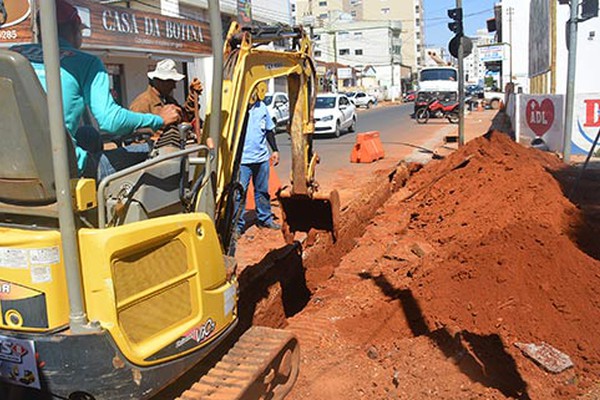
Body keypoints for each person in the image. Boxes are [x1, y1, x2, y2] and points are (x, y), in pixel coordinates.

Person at [10, 0, 180, 180]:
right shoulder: (86, 63)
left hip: (12, 166)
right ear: (75, 28)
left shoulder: (14, 55)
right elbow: (111, 121)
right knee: (154, 151)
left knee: (88, 134)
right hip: (58, 172)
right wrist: (158, 119)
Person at [235, 81, 281, 236]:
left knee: (262, 191)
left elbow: (269, 130)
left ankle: (265, 219)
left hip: (261, 158)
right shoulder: (238, 109)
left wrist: (274, 150)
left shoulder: (262, 108)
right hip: (243, 161)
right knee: (240, 193)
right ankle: (237, 226)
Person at [130, 59, 204, 135]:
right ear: (160, 81)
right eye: (171, 82)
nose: (174, 86)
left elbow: (186, 116)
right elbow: (135, 135)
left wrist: (192, 96)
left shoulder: (168, 100)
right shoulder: (141, 104)